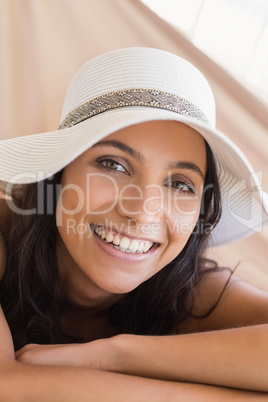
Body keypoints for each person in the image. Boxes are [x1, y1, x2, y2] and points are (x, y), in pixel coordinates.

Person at [0, 47, 268, 401]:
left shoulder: (188, 288)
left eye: (180, 184)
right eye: (113, 165)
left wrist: (113, 355)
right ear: (57, 173)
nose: (142, 212)